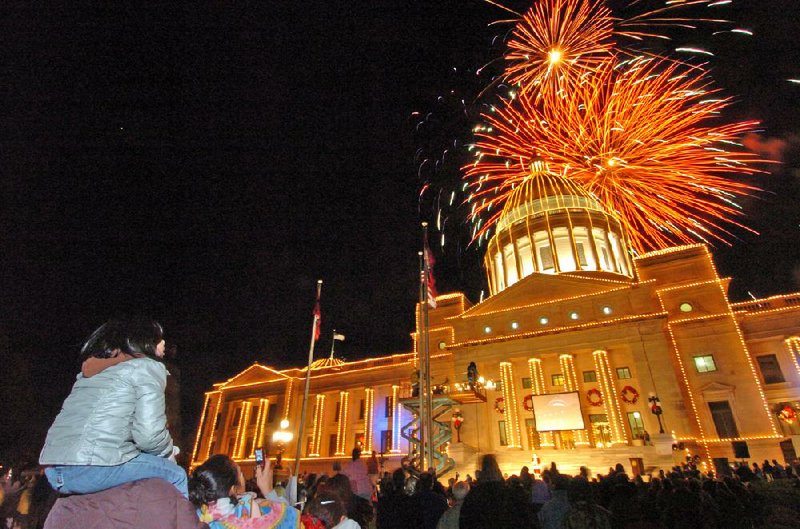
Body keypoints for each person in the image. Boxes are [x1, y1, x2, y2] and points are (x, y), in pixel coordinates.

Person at [39, 319, 187, 496]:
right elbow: (149, 436)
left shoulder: (92, 373)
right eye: (158, 339)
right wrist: (169, 452)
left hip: (55, 470)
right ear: (142, 342)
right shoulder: (148, 367)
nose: (164, 343)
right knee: (176, 475)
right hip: (94, 465)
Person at [189, 454, 300, 529]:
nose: (244, 478)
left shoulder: (197, 512)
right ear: (233, 489)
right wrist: (268, 490)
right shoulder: (247, 508)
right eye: (241, 473)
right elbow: (287, 520)